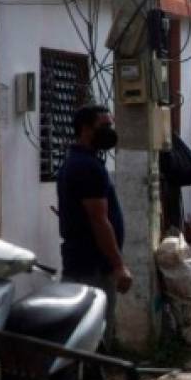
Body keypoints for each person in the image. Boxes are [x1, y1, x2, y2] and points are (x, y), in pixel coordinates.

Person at [56, 104, 132, 348]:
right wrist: (118, 265)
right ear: (86, 129)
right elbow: (99, 220)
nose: (110, 130)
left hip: (84, 262)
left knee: (81, 332)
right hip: (93, 267)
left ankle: (85, 379)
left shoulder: (80, 162)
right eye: (105, 125)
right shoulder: (87, 167)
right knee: (92, 334)